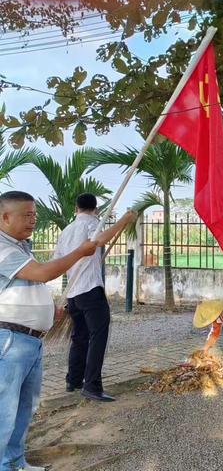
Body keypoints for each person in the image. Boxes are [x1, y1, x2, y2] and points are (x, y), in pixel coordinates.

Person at [0, 191, 98, 471]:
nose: (33, 220)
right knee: (4, 412)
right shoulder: (2, 247)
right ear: (4, 217)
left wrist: (47, 310)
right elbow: (43, 273)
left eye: (34, 214)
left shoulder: (20, 247)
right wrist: (80, 251)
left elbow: (28, 285)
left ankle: (14, 463)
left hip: (28, 341)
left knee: (22, 410)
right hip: (9, 341)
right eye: (26, 215)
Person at [54, 193, 137, 402]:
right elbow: (98, 240)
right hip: (90, 290)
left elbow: (58, 261)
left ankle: (73, 380)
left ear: (76, 208)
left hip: (73, 294)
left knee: (79, 337)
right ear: (96, 209)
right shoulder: (93, 224)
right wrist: (124, 221)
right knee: (97, 337)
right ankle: (91, 385)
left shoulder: (66, 231)